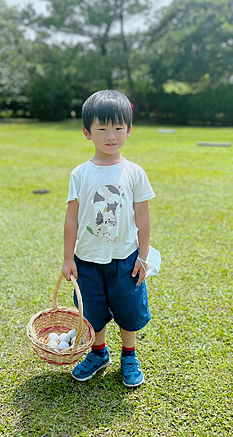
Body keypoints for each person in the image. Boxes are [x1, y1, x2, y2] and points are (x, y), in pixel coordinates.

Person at [62, 90, 155, 387]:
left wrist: (143, 256)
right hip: (87, 260)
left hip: (125, 259)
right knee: (92, 313)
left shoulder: (135, 172)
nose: (111, 135)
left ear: (129, 130)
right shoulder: (80, 173)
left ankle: (130, 354)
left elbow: (142, 217)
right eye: (102, 128)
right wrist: (67, 258)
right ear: (87, 132)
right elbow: (72, 218)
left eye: (118, 127)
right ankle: (99, 352)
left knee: (129, 310)